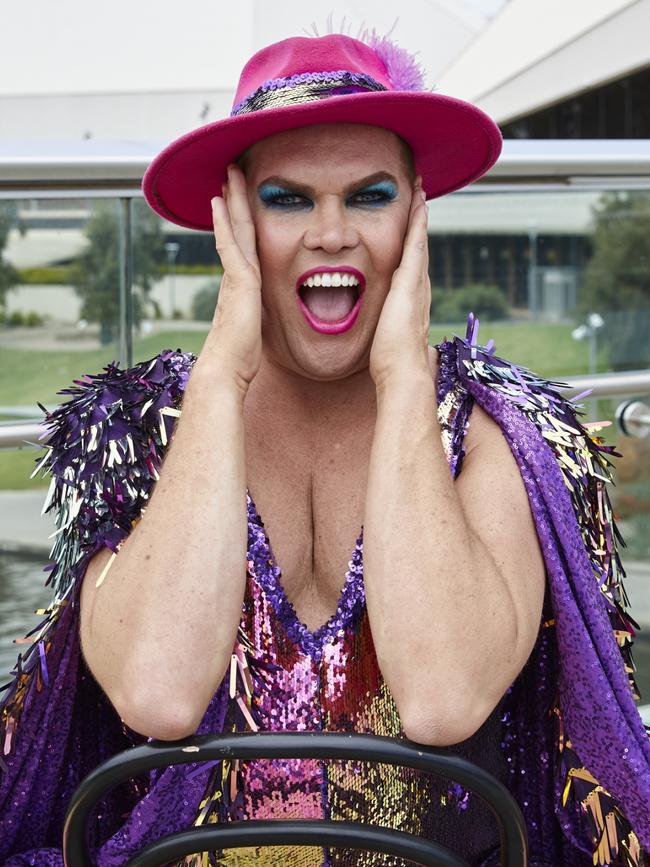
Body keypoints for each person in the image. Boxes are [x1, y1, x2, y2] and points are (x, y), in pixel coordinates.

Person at [1, 26, 649, 867]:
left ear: (416, 214)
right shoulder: (137, 429)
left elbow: (444, 698)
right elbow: (156, 691)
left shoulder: (497, 427)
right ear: (232, 219)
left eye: (371, 196)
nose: (333, 233)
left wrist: (407, 378)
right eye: (289, 199)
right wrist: (221, 371)